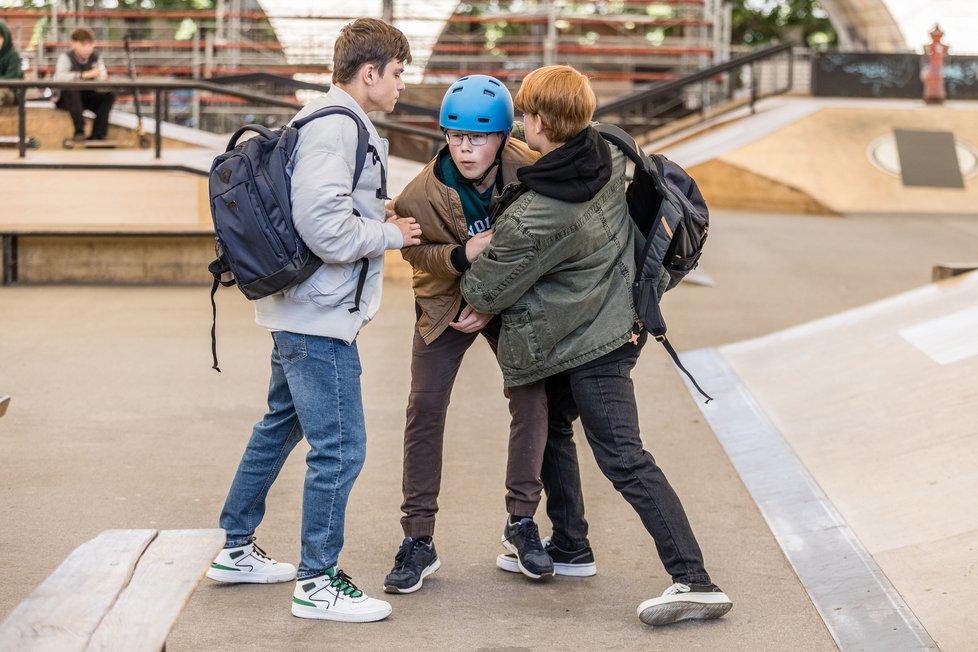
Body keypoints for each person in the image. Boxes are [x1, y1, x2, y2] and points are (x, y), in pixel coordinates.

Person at [460, 65, 733, 627]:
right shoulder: (609, 145)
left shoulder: (539, 212)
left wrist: (473, 249)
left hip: (597, 339)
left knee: (624, 457)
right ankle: (571, 546)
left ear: (536, 123)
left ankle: (695, 580)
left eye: (522, 115)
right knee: (556, 424)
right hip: (613, 312)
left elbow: (482, 287)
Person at [205, 17, 421, 624]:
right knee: (342, 447)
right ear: (369, 72)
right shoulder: (337, 128)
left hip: (302, 308)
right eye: (398, 72)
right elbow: (323, 227)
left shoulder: (323, 120)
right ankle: (318, 578)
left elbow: (327, 206)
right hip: (318, 317)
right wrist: (390, 234)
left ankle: (236, 547)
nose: (403, 84)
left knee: (279, 426)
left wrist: (372, 211)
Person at [382, 74, 553, 594]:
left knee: (531, 399)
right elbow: (413, 253)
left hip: (508, 299)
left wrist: (488, 298)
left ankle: (522, 522)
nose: (465, 147)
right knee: (425, 407)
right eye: (455, 135)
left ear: (503, 137)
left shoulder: (533, 171)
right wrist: (461, 256)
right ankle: (418, 539)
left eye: (477, 137)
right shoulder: (421, 192)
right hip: (443, 303)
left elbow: (549, 242)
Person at [52, 27, 115, 142]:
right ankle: (79, 131)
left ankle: (98, 135)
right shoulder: (66, 57)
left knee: (109, 96)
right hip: (68, 99)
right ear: (74, 44)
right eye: (84, 44)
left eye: (90, 44)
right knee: (72, 90)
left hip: (87, 95)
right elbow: (59, 77)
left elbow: (102, 76)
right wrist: (83, 75)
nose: (88, 48)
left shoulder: (96, 57)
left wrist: (98, 76)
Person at [0, 19, 24, 108]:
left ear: (6, 37)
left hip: (11, 92)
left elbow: (10, 79)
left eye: (0, 36)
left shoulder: (13, 55)